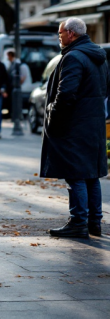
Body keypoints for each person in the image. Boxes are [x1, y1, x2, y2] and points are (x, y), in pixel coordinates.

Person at [42, 18, 110, 238]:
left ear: (71, 33)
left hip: (74, 126)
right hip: (94, 124)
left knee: (76, 175)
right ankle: (94, 222)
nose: (59, 37)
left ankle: (78, 222)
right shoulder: (99, 56)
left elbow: (66, 94)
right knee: (91, 175)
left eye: (60, 33)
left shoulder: (73, 57)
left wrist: (52, 113)